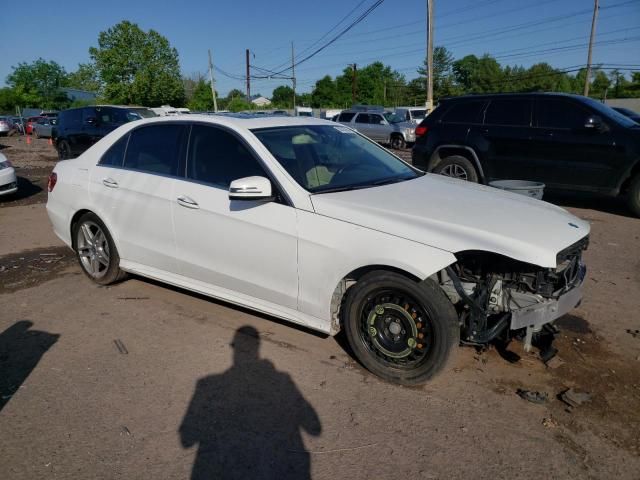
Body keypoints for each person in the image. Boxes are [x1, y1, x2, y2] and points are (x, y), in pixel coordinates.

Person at [180, 325, 322, 479]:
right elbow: (314, 428)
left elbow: (187, 440)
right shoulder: (283, 380)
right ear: (258, 347)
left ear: (235, 349)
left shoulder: (207, 384)